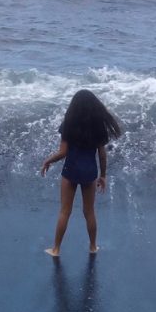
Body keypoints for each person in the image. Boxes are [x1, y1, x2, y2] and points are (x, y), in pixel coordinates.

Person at [41, 89, 121, 257]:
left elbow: (63, 152)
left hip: (70, 171)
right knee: (89, 212)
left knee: (65, 211)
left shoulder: (69, 123)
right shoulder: (98, 125)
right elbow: (102, 154)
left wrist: (48, 160)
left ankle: (55, 249)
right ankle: (93, 247)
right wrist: (103, 175)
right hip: (89, 172)